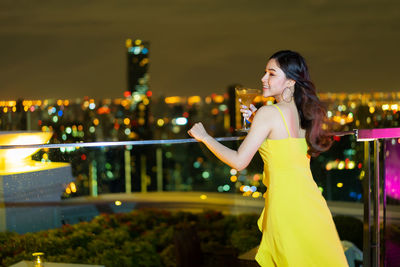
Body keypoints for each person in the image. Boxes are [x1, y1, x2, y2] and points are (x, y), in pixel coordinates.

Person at [187, 50, 348, 266]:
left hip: (285, 207)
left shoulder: (268, 114)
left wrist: (205, 137)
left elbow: (239, 161)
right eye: (265, 72)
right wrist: (256, 120)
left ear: (291, 81)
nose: (263, 79)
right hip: (311, 205)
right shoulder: (303, 114)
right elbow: (287, 148)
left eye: (271, 74)